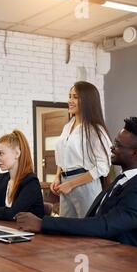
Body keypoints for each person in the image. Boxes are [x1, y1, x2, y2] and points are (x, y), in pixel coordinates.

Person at [17, 117, 137, 249]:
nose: (112, 147)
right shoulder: (123, 180)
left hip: (119, 265)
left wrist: (43, 223)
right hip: (97, 252)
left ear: (135, 153)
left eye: (118, 145)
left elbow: (104, 225)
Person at [51, 81, 112, 218]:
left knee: (87, 232)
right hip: (65, 184)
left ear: (87, 101)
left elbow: (103, 167)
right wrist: (57, 177)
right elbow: (61, 157)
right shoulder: (68, 126)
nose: (70, 100)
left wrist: (71, 184)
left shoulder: (96, 130)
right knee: (66, 231)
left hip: (85, 184)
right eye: (69, 96)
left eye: (75, 97)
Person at [0, 130, 44, 220]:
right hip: (6, 230)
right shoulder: (0, 179)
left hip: (29, 233)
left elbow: (13, 213)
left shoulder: (31, 182)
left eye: (1, 153)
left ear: (17, 153)